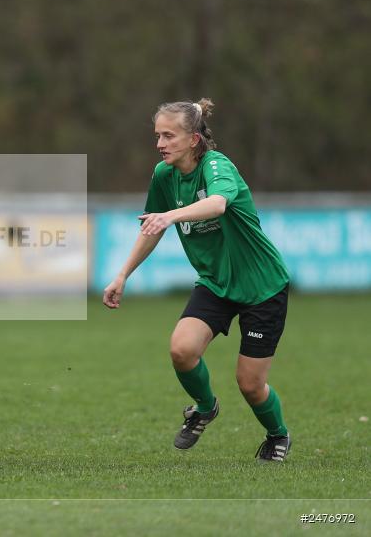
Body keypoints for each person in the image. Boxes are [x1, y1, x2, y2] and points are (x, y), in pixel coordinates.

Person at [102, 98, 291, 462]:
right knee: (182, 349)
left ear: (193, 139)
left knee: (250, 384)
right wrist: (122, 274)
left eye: (169, 135)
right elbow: (152, 226)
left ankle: (278, 434)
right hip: (215, 283)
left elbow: (217, 204)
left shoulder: (217, 166)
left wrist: (171, 215)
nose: (160, 144)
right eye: (157, 136)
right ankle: (205, 408)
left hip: (262, 287)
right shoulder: (164, 175)